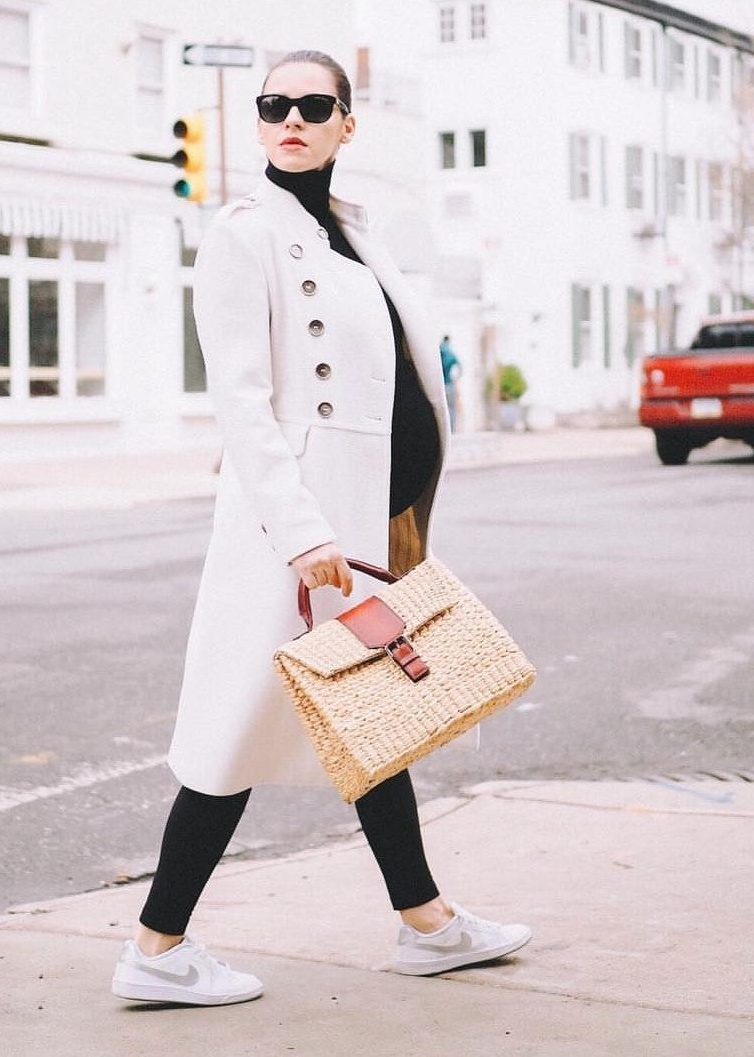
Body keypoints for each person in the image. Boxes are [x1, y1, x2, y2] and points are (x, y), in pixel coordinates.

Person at [112, 51, 530, 1007]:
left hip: (371, 519)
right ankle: (156, 945)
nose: (290, 119)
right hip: (296, 529)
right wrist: (302, 531)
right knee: (236, 729)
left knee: (371, 711)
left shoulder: (352, 230)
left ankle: (427, 922)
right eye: (274, 105)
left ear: (348, 121)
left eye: (311, 104)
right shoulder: (244, 236)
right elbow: (242, 402)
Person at [440, 335, 462, 433]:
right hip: (449, 383)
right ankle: (451, 429)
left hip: (440, 385)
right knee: (451, 408)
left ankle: (443, 430)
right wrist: (456, 378)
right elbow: (460, 367)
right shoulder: (451, 353)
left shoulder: (439, 350)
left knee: (442, 409)